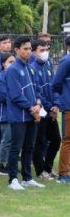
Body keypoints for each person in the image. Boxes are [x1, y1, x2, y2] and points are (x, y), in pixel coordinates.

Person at [5, 36, 44, 191]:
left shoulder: (30, 68)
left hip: (32, 114)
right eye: (25, 49)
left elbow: (37, 89)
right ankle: (13, 179)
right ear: (17, 50)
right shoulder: (13, 69)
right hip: (18, 115)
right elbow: (15, 95)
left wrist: (38, 105)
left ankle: (27, 177)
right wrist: (31, 108)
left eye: (29, 49)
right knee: (16, 147)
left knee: (29, 146)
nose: (28, 52)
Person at [30, 40, 60, 180]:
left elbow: (54, 87)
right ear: (34, 51)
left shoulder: (48, 66)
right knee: (39, 141)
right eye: (42, 50)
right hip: (41, 111)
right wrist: (49, 107)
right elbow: (37, 92)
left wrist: (55, 105)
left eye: (46, 49)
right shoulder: (32, 68)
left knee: (55, 140)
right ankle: (40, 170)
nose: (45, 52)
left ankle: (48, 168)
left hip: (51, 110)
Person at [0, 53, 15, 175]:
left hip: (15, 113)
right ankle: (0, 163)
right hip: (4, 114)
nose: (13, 64)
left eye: (14, 62)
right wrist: (16, 99)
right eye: (10, 62)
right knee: (6, 139)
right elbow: (2, 97)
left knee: (13, 139)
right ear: (3, 63)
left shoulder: (14, 77)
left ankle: (10, 162)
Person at [52, 35, 70, 184]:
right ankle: (63, 173)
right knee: (68, 139)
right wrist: (65, 95)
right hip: (69, 105)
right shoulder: (66, 61)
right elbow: (56, 83)